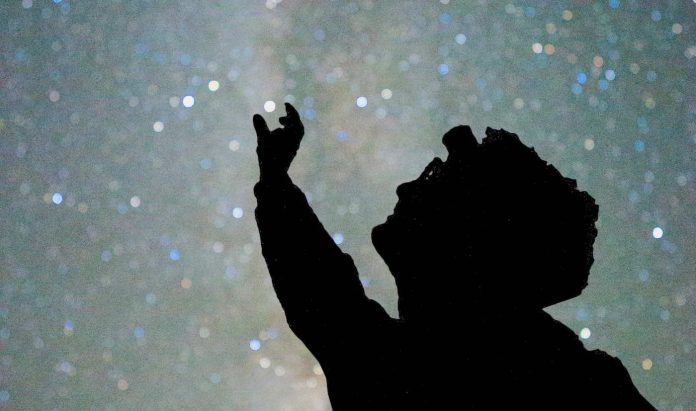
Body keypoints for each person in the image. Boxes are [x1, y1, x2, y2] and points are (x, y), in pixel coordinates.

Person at [252, 103, 655, 410]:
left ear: (473, 241)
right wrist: (275, 183)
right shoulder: (554, 371)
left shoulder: (563, 380)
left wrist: (275, 185)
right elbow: (325, 299)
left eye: (435, 181)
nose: (403, 189)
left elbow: (326, 302)